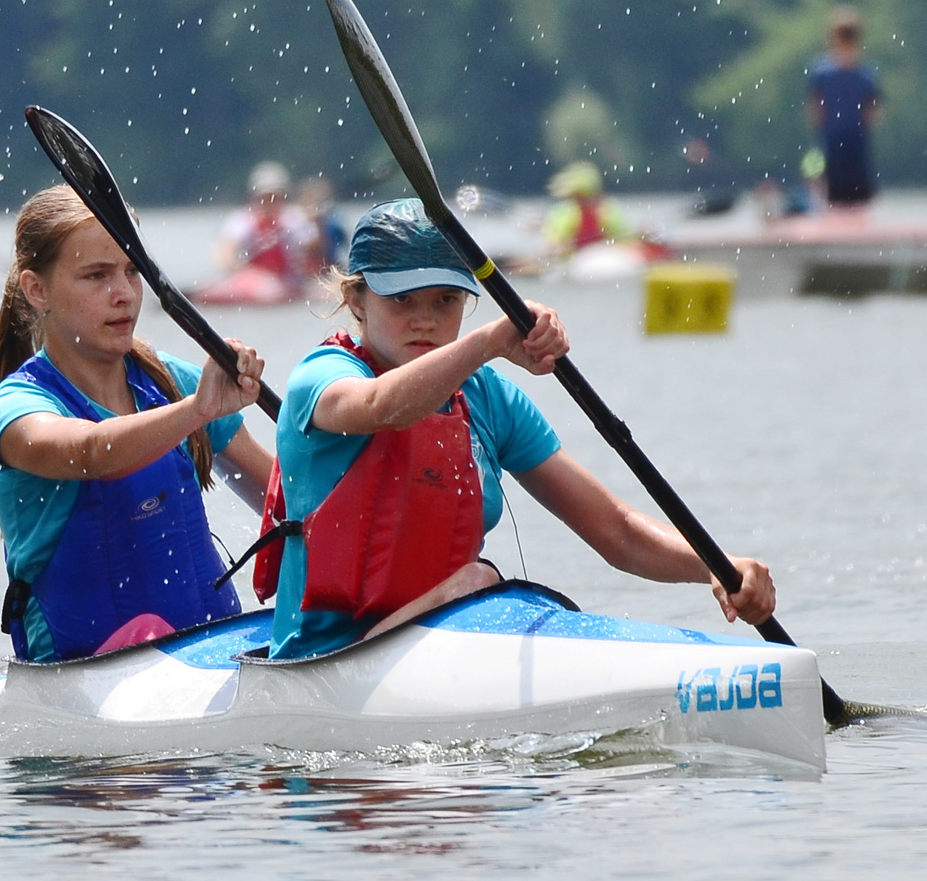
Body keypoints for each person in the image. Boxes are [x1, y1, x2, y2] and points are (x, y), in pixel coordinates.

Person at [252, 198, 776, 659]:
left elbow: (614, 530)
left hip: (446, 639)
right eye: (402, 300)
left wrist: (715, 566)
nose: (425, 320)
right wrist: (486, 343)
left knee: (487, 588)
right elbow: (381, 407)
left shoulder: (487, 397)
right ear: (356, 300)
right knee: (482, 582)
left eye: (445, 300)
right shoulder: (323, 379)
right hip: (326, 661)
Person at [0, 185, 274, 663]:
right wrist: (197, 411)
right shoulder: (17, 409)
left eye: (132, 272)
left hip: (218, 654)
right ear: (36, 289)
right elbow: (90, 453)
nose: (124, 294)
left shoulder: (170, 381)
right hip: (86, 678)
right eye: (96, 276)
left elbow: (282, 502)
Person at [807, 6, 882, 208]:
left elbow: (815, 110)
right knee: (837, 194)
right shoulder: (864, 73)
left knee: (853, 194)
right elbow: (873, 112)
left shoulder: (862, 73)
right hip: (838, 139)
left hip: (846, 138)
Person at [213, 161, 314, 288]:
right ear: (255, 197)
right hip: (253, 279)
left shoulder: (295, 220)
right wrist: (237, 268)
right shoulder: (241, 222)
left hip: (289, 280)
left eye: (273, 197)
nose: (268, 202)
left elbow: (312, 251)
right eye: (263, 197)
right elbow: (225, 254)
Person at [539, 161, 635, 258]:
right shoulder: (565, 214)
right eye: (579, 196)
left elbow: (626, 240)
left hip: (606, 260)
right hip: (574, 262)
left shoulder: (608, 211)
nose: (585, 201)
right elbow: (555, 245)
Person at [296, 176, 347, 277]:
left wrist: (319, 224)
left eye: (318, 202)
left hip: (327, 269)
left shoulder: (333, 224)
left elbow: (339, 249)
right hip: (303, 274)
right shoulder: (295, 222)